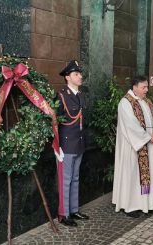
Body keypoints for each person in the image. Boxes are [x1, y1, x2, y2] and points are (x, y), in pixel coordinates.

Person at [112, 75, 153, 218]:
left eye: (147, 87)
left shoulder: (147, 101)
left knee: (148, 174)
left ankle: (147, 204)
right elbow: (130, 125)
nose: (146, 90)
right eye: (143, 87)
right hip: (133, 147)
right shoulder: (125, 102)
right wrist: (147, 137)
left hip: (149, 144)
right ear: (135, 87)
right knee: (132, 175)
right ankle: (130, 205)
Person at [56, 60, 89, 226]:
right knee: (66, 179)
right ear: (67, 77)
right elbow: (56, 122)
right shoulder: (62, 95)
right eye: (76, 74)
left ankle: (74, 210)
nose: (80, 76)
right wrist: (57, 146)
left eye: (80, 73)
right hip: (67, 144)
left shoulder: (80, 95)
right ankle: (64, 214)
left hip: (80, 142)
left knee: (75, 178)